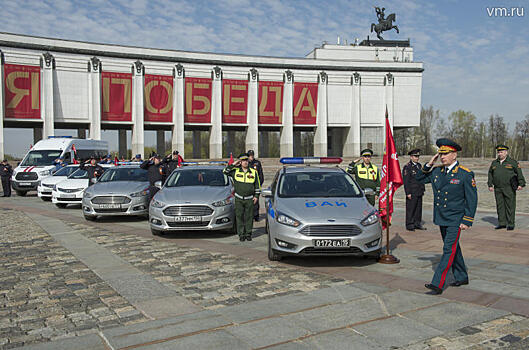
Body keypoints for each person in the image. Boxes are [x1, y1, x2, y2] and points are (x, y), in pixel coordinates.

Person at [416, 138, 478, 295]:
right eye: (440, 154)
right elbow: (419, 178)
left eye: (446, 154)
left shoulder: (464, 174)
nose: (442, 157)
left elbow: (472, 199)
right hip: (442, 217)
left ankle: (437, 283)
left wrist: (467, 219)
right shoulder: (437, 171)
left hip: (456, 218)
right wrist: (429, 164)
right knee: (453, 248)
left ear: (454, 155)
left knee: (448, 249)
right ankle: (462, 276)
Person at [223, 153, 261, 241]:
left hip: (249, 199)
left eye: (246, 160)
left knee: (249, 217)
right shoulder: (236, 171)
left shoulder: (253, 172)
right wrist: (233, 164)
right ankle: (241, 234)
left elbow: (257, 186)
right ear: (240, 162)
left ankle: (248, 233)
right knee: (239, 216)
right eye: (243, 161)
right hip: (239, 198)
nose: (245, 162)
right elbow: (225, 171)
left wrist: (256, 196)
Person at [487, 145, 525, 230]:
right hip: (498, 188)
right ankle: (502, 223)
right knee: (500, 206)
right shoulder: (494, 163)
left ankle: (511, 224)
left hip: (509, 188)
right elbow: (490, 174)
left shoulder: (512, 162)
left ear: (506, 152)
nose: (500, 154)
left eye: (501, 152)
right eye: (499, 152)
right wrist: (490, 184)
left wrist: (521, 184)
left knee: (510, 205)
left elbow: (519, 173)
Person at [402, 149, 426, 231]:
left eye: (418, 156)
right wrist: (408, 192)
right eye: (415, 156)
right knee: (411, 208)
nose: (417, 158)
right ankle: (410, 224)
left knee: (418, 209)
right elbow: (406, 181)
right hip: (412, 191)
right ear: (411, 157)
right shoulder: (407, 167)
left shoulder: (419, 165)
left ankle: (417, 223)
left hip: (419, 190)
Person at [248, 150, 264, 221]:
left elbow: (261, 175)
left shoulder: (257, 163)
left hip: (256, 185)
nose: (251, 157)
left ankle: (256, 215)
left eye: (252, 155)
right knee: (248, 201)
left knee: (256, 201)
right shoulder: (246, 163)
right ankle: (249, 216)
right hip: (248, 186)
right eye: (250, 155)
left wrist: (259, 184)